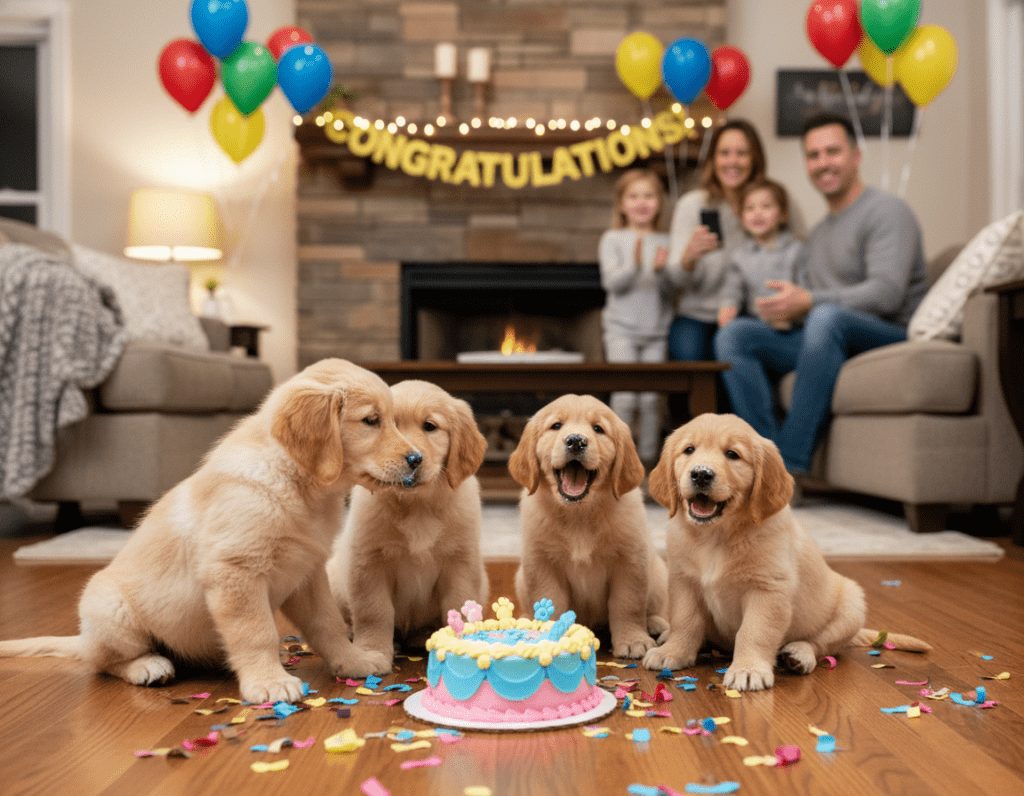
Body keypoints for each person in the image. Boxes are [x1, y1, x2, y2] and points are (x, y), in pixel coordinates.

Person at [713, 112, 930, 475]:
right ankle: (764, 462)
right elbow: (809, 300)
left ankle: (789, 468)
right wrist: (786, 309)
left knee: (825, 316)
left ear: (855, 157)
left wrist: (809, 303)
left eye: (833, 152)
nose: (822, 163)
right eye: (813, 155)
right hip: (826, 336)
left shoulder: (887, 211)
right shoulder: (816, 234)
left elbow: (888, 293)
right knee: (735, 335)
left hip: (887, 333)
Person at [664, 119, 768, 361]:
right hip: (697, 316)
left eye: (742, 153)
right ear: (713, 160)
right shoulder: (693, 205)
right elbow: (672, 283)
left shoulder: (768, 204)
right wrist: (688, 258)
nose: (732, 161)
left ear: (755, 159)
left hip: (749, 315)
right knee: (690, 355)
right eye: (724, 153)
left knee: (735, 352)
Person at [598, 168, 673, 464]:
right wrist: (636, 264)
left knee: (652, 399)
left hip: (657, 331)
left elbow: (671, 290)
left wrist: (659, 270)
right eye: (634, 196)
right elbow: (612, 282)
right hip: (621, 331)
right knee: (626, 397)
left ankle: (648, 461)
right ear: (621, 203)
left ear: (659, 202)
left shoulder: (666, 239)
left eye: (649, 196)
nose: (642, 202)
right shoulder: (613, 238)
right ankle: (619, 461)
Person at [718, 177, 804, 332]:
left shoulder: (797, 250)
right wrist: (728, 306)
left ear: (783, 214)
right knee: (730, 334)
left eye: (766, 206)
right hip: (756, 323)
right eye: (749, 208)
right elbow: (732, 288)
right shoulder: (740, 256)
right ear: (741, 218)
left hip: (795, 325)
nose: (757, 213)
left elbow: (806, 288)